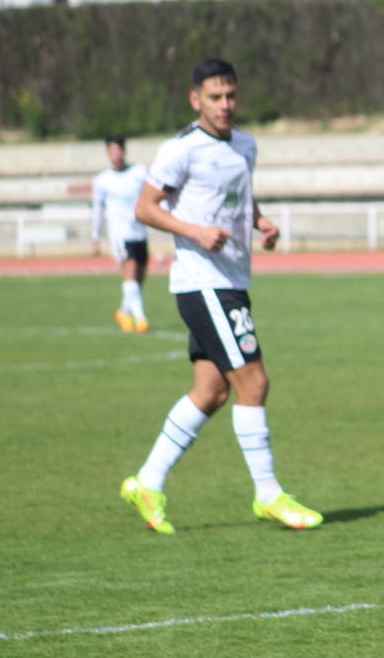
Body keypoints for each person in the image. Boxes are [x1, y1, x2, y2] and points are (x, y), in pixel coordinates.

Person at [119, 58, 322, 534]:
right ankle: (269, 495)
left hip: (231, 281)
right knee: (254, 383)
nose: (225, 104)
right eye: (215, 97)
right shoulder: (180, 150)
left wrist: (260, 221)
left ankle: (147, 482)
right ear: (196, 100)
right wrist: (193, 230)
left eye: (231, 95)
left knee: (211, 392)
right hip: (202, 281)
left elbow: (238, 197)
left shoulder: (246, 146)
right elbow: (146, 208)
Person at [91, 134, 151, 333]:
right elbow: (98, 210)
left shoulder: (139, 172)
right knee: (130, 272)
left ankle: (124, 312)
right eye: (112, 151)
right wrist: (95, 237)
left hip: (139, 232)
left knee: (139, 278)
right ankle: (140, 319)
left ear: (124, 151)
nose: (116, 154)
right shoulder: (102, 180)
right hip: (120, 235)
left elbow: (151, 196)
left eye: (119, 150)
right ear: (108, 152)